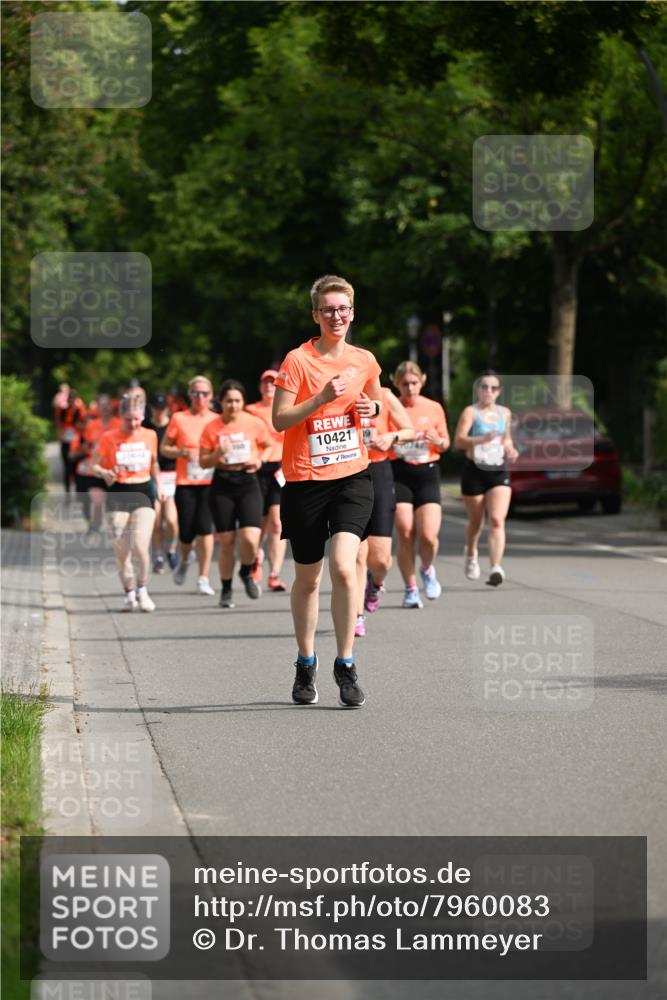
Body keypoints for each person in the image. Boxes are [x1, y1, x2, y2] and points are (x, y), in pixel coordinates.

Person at [272, 274, 383, 709]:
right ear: (315, 315)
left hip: (353, 476)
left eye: (343, 309)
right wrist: (319, 399)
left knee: (344, 566)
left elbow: (375, 401)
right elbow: (280, 420)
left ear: (352, 312)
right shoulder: (297, 360)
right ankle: (305, 661)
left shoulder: (364, 359)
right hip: (304, 480)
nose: (337, 316)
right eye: (328, 310)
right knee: (308, 578)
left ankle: (346, 662)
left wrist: (370, 408)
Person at [200, 380, 273, 607]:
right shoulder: (211, 428)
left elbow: (269, 445)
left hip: (248, 481)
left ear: (243, 402)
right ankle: (226, 588)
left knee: (250, 539)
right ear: (220, 402)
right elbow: (203, 462)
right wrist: (216, 454)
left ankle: (245, 571)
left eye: (238, 401)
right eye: (229, 401)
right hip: (222, 482)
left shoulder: (253, 422)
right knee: (228, 540)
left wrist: (259, 460)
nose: (233, 405)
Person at [91, 394, 163, 612]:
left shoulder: (150, 435)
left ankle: (142, 589)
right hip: (118, 493)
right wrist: (105, 473)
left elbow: (154, 463)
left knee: (141, 545)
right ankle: (129, 592)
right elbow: (93, 466)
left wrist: (159, 487)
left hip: (143, 493)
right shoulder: (108, 437)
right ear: (120, 417)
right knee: (121, 549)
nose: (133, 424)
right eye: (128, 419)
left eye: (137, 419)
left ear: (142, 416)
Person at [354, 386, 415, 636]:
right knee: (357, 553)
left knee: (380, 559)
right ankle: (357, 615)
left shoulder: (385, 395)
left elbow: (409, 430)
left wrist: (392, 438)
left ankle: (376, 583)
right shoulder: (338, 392)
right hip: (348, 472)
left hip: (378, 471)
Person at [390, 361, 450, 608]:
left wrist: (438, 440)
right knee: (405, 531)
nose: (410, 388)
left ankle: (426, 568)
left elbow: (446, 443)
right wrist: (391, 442)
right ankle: (410, 588)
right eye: (405, 384)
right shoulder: (390, 408)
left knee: (428, 535)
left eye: (414, 383)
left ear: (422, 381)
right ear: (396, 384)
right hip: (399, 472)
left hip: (427, 471)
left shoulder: (434, 408)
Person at [454, 370, 518, 586]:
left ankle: (495, 567)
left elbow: (506, 439)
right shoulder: (470, 412)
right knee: (476, 521)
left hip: (498, 469)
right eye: (484, 387)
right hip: (475, 471)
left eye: (493, 388)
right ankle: (471, 553)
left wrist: (510, 449)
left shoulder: (505, 413)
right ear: (478, 390)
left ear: (498, 392)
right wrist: (481, 439)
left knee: (497, 520)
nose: (488, 391)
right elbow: (459, 441)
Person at [160, 376, 218, 595]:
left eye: (204, 393)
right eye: (195, 393)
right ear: (189, 395)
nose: (199, 397)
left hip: (209, 481)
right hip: (185, 482)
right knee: (186, 532)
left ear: (210, 396)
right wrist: (181, 452)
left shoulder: (216, 420)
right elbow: (165, 448)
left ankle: (203, 578)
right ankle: (185, 559)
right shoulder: (179, 418)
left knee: (205, 528)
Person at [245, 370, 288, 591]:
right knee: (258, 524)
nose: (269, 386)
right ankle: (256, 558)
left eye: (273, 382)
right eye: (265, 383)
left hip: (280, 469)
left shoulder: (286, 406)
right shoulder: (251, 411)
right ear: (260, 386)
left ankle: (274, 573)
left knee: (278, 522)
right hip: (257, 468)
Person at [70, 394, 120, 534]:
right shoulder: (91, 425)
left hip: (113, 470)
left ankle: (115, 527)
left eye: (107, 405)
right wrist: (84, 450)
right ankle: (95, 526)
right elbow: (85, 445)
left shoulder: (119, 424)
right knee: (97, 502)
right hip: (96, 469)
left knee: (114, 504)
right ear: (97, 408)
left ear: (112, 407)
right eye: (102, 405)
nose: (105, 408)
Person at [145, 391, 179, 573]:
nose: (159, 411)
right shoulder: (146, 426)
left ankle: (171, 549)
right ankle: (158, 555)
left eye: (162, 408)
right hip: (151, 475)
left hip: (171, 475)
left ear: (167, 409)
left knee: (171, 520)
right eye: (156, 408)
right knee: (156, 520)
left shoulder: (174, 425)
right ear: (151, 409)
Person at [54, 387, 86, 493]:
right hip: (66, 442)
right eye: (69, 399)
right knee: (67, 468)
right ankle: (67, 493)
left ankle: (78, 491)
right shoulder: (62, 410)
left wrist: (78, 426)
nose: (71, 401)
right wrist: (62, 430)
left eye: (73, 399)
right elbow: (58, 422)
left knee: (76, 468)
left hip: (77, 443)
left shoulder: (80, 409)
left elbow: (84, 424)